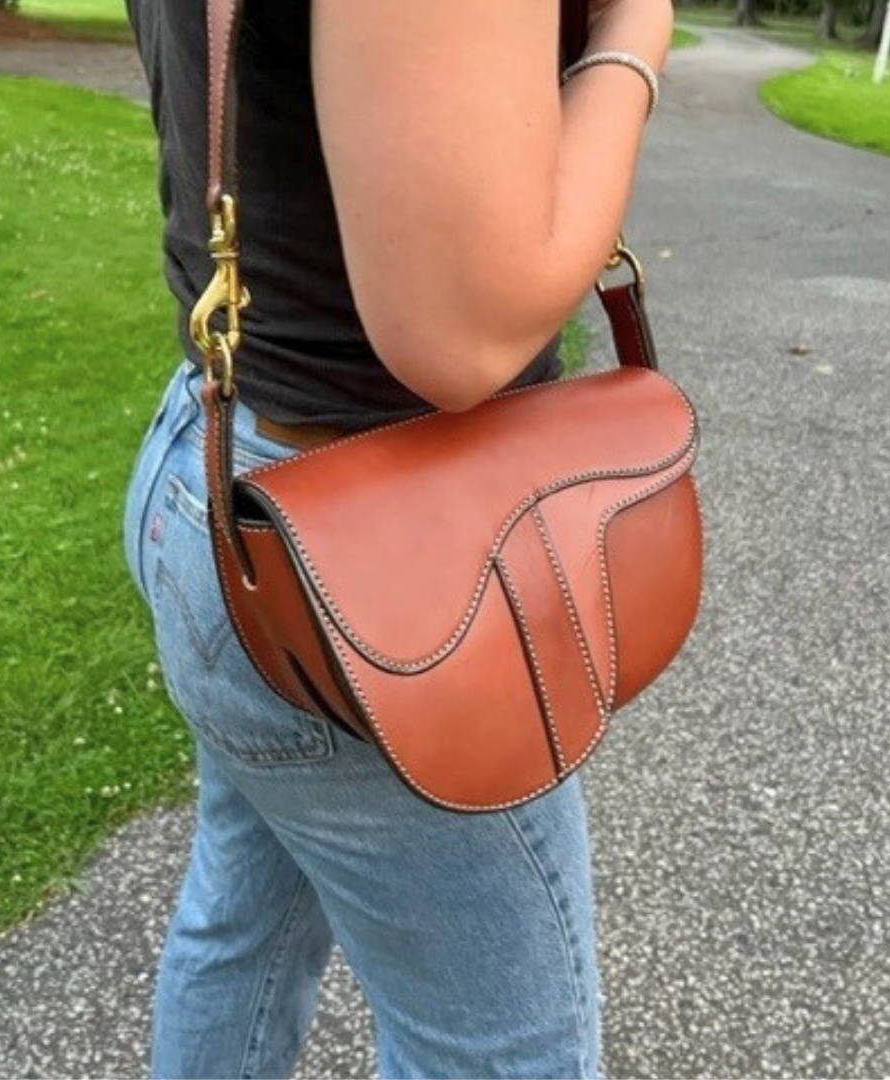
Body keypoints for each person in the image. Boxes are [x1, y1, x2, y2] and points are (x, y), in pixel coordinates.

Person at [123, 0, 672, 1076]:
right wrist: (631, 36)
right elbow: (460, 334)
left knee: (244, 932)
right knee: (505, 1054)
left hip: (228, 466)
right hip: (378, 585)